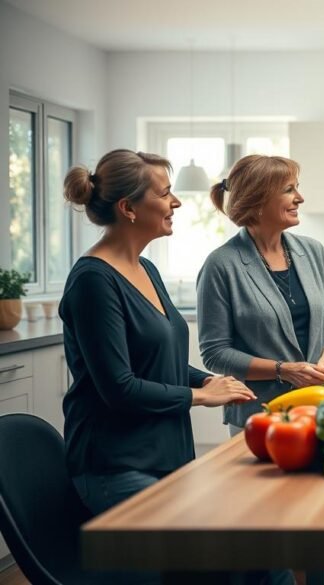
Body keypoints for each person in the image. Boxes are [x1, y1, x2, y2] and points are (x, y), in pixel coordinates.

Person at [61, 149, 256, 517]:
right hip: (117, 467)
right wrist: (200, 395)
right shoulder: (93, 281)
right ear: (128, 208)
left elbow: (159, 364)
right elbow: (119, 388)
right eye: (165, 193)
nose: (177, 202)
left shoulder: (146, 268)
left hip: (165, 459)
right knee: (234, 554)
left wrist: (217, 382)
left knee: (256, 550)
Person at [197, 155, 324, 436]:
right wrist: (283, 370)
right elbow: (215, 353)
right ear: (257, 201)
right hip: (259, 417)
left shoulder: (314, 252)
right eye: (289, 190)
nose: (299, 198)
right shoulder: (221, 264)